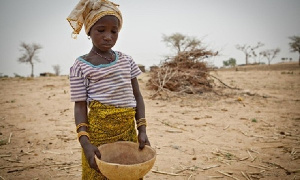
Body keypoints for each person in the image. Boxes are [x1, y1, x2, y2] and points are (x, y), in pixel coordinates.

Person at [67, 0, 151, 179]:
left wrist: (142, 130)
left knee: (128, 173)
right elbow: (80, 106)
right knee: (99, 174)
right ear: (89, 30)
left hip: (128, 132)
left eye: (114, 31)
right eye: (101, 30)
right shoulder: (80, 66)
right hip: (98, 136)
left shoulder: (126, 61)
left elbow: (137, 96)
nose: (108, 36)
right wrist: (85, 143)